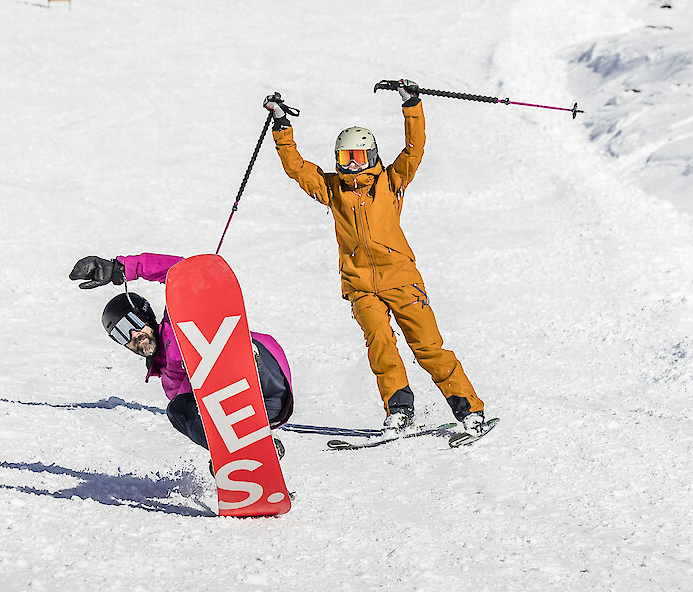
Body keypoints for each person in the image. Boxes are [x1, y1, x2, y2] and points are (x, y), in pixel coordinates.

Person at [264, 80, 488, 436]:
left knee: (428, 347)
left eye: (358, 158)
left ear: (372, 156)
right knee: (380, 345)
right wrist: (281, 125)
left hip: (401, 279)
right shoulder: (332, 190)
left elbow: (414, 150)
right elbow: (297, 168)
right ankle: (399, 409)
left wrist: (411, 104)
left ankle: (468, 409)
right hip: (359, 284)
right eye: (344, 159)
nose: (351, 166)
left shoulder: (389, 182)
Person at [69, 253, 294, 457]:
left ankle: (243, 359)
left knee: (211, 352)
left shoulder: (176, 322)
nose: (134, 335)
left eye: (134, 323)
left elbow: (186, 273)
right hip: (259, 411)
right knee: (178, 410)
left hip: (265, 374)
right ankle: (248, 452)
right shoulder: (168, 384)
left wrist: (122, 268)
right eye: (121, 334)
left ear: (146, 316)